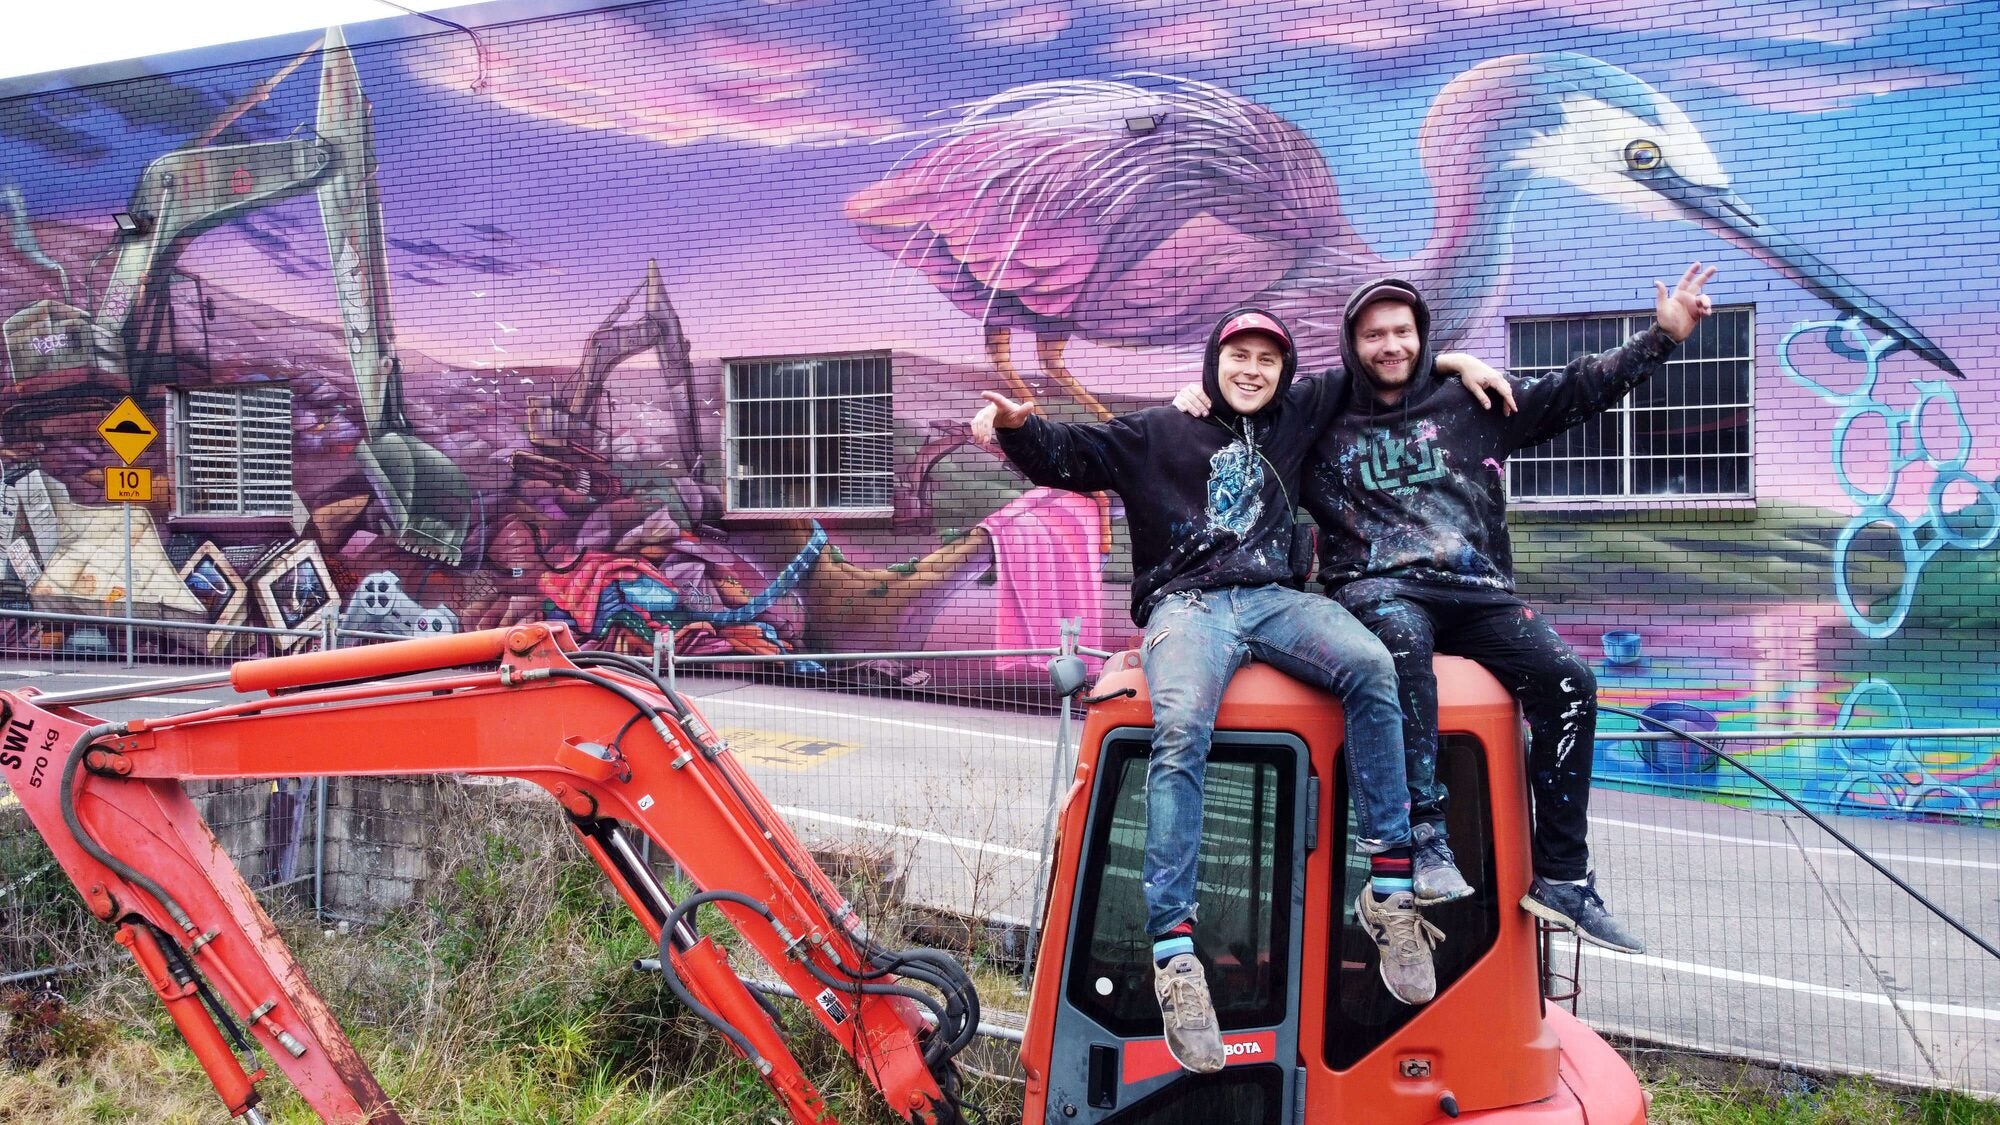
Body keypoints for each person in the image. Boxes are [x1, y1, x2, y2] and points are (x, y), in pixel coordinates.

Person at [974, 308, 1513, 1071]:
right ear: (1214, 362)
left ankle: (1390, 890)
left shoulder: (1297, 415)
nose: (1252, 369)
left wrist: (1456, 362)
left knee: (1372, 666)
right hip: (1187, 607)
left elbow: (1382, 366)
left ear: (1282, 372)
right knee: (1181, 726)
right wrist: (1017, 428)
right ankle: (1175, 955)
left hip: (1274, 600)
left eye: (1267, 358)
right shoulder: (1158, 430)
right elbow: (1069, 455)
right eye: (1239, 356)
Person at [1298, 263, 1718, 952]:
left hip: (1478, 592)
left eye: (1402, 331)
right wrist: (1197, 393)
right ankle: (1424, 838)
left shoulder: (1472, 400)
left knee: (1569, 681)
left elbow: (1575, 389)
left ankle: (1563, 878)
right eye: (1374, 335)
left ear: (1422, 336)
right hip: (1379, 588)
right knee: (1401, 641)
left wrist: (1661, 338)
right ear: (1352, 344)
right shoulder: (1320, 414)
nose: (1390, 345)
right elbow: (1247, 397)